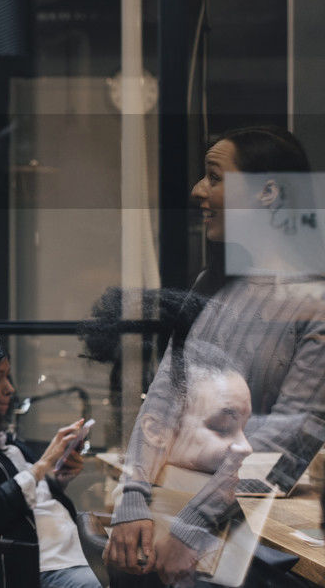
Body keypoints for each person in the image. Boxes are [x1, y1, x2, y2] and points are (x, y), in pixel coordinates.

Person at [105, 125, 325, 587]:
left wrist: (195, 525)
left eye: (214, 177)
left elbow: (284, 444)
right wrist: (132, 497)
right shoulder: (211, 283)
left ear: (268, 192)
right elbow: (164, 397)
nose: (197, 190)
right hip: (165, 521)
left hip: (235, 542)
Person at [0, 346, 103, 588]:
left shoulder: (8, 443)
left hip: (78, 551)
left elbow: (36, 495)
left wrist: (57, 477)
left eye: (7, 376)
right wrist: (42, 465)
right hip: (44, 566)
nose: (9, 388)